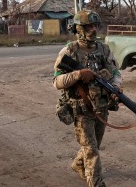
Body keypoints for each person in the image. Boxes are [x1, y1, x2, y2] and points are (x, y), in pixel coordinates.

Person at [52, 10, 122, 187]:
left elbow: (115, 73)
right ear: (78, 29)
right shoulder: (69, 51)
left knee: (94, 145)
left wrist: (116, 88)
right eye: (88, 26)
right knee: (91, 151)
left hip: (102, 107)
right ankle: (96, 183)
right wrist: (78, 74)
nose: (93, 30)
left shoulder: (104, 49)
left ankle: (78, 164)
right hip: (82, 109)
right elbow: (57, 81)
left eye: (95, 26)